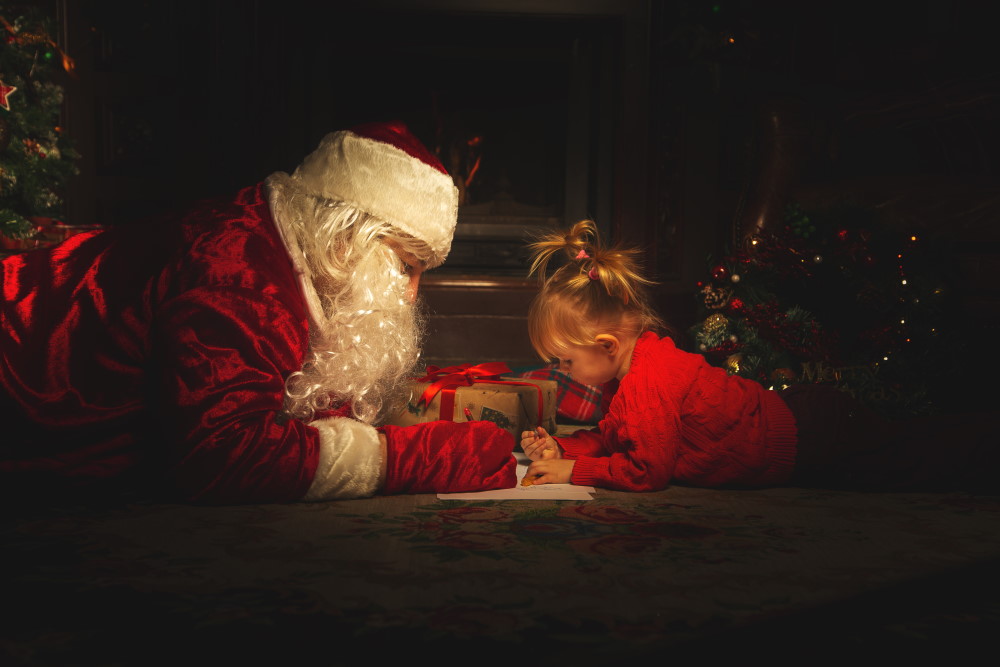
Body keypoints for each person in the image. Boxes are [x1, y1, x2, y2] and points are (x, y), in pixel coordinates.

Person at [1, 121, 516, 503]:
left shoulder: (288, 246)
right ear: (347, 234)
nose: (409, 295)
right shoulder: (236, 272)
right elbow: (220, 455)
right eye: (405, 266)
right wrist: (418, 458)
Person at [519, 220, 998, 493]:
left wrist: (573, 470)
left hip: (810, 436)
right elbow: (618, 437)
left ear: (607, 345)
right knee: (911, 449)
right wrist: (566, 448)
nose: (560, 373)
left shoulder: (649, 378)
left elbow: (647, 470)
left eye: (564, 361)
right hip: (799, 419)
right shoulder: (630, 372)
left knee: (924, 458)